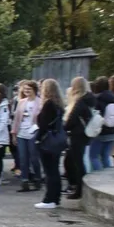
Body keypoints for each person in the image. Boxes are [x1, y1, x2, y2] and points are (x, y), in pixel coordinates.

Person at [33, 79, 65, 209]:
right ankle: (55, 198)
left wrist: (37, 138)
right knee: (54, 170)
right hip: (56, 140)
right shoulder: (59, 105)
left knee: (49, 171)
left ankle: (49, 199)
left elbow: (43, 125)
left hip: (47, 141)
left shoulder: (48, 105)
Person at [64, 77, 94, 200]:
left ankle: (79, 189)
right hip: (85, 133)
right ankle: (78, 187)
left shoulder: (80, 102)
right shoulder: (90, 100)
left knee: (76, 163)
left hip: (77, 134)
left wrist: (65, 126)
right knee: (77, 161)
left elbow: (71, 120)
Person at [11, 81, 43, 193]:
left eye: (29, 89)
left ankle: (38, 179)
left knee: (34, 158)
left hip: (34, 132)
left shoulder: (40, 102)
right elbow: (16, 119)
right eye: (25, 89)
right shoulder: (21, 102)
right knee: (23, 158)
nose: (27, 91)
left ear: (34, 89)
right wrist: (14, 133)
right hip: (21, 132)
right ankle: (24, 181)